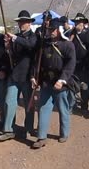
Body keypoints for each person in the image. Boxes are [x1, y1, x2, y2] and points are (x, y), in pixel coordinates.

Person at [30, 18, 76, 148]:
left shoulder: (68, 45)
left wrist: (62, 80)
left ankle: (64, 133)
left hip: (60, 83)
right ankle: (41, 137)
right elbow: (37, 62)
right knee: (43, 108)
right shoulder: (44, 44)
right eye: (50, 29)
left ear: (59, 30)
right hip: (45, 82)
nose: (51, 31)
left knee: (63, 109)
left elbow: (70, 64)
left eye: (53, 29)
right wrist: (34, 77)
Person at [0, 10, 37, 141]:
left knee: (29, 105)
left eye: (24, 22)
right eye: (20, 22)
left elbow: (30, 45)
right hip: (14, 75)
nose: (21, 24)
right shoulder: (16, 38)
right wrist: (8, 46)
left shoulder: (34, 37)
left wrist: (14, 38)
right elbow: (11, 55)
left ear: (29, 23)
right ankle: (8, 129)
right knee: (9, 102)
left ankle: (29, 128)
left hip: (28, 77)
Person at [68, 12, 89, 111]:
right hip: (73, 64)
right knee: (72, 85)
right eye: (76, 22)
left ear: (83, 23)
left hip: (84, 64)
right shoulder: (70, 34)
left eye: (79, 22)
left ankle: (84, 105)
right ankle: (72, 105)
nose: (77, 24)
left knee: (84, 86)